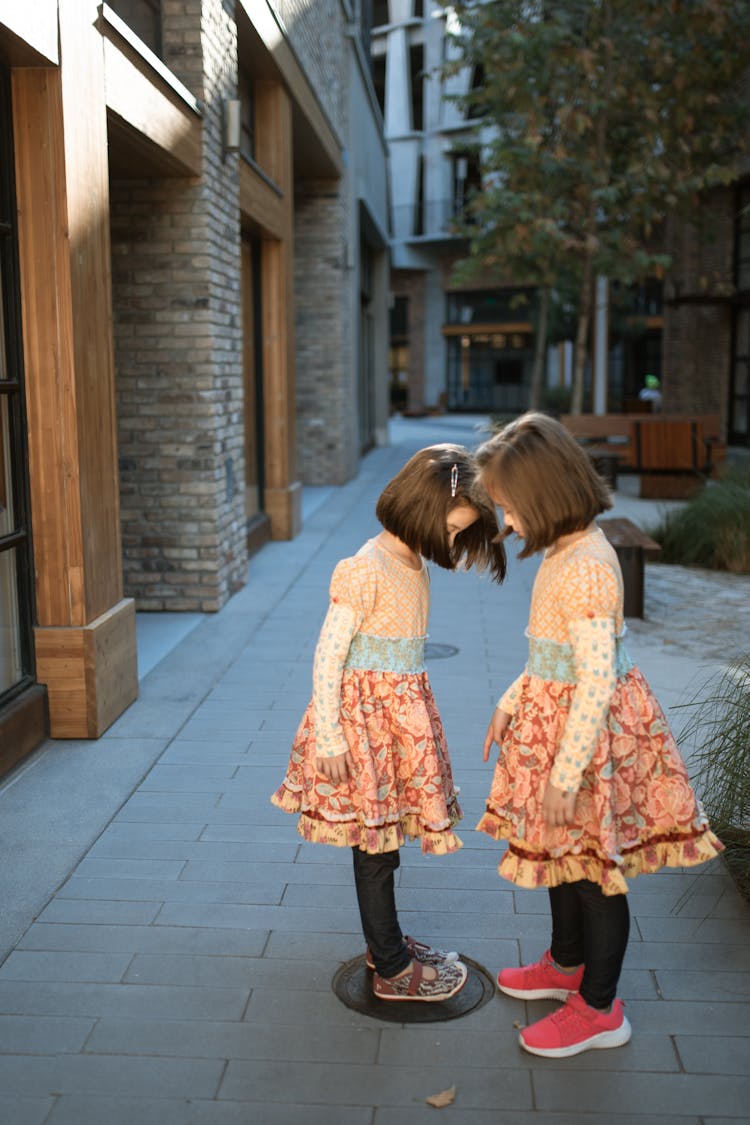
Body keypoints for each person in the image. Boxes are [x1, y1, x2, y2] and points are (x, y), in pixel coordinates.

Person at [475, 413, 723, 1055]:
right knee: (566, 856)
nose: (506, 523)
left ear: (543, 495)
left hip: (584, 744)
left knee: (594, 873)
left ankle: (599, 1007)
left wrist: (564, 775)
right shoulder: (566, 551)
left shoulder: (586, 565)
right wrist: (510, 700)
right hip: (559, 726)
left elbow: (594, 682)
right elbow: (547, 656)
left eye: (509, 507)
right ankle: (565, 964)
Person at [272, 444, 506, 1002]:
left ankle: (387, 944)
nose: (451, 542)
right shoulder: (364, 568)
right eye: (451, 528)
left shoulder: (413, 563)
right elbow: (328, 655)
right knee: (373, 849)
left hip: (399, 724)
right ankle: (392, 968)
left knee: (386, 841)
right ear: (421, 507)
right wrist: (328, 736)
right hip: (363, 731)